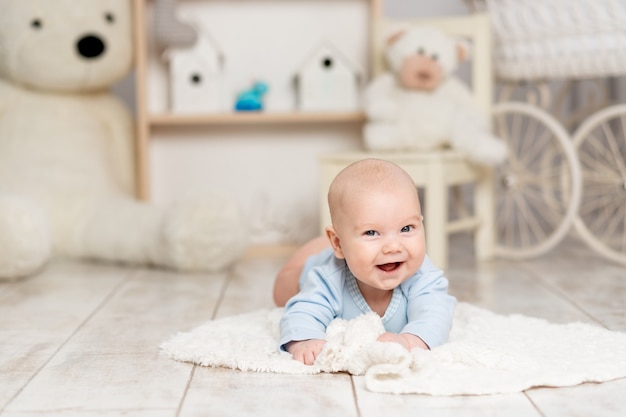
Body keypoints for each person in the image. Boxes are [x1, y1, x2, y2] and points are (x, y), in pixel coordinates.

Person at [275, 158, 456, 365]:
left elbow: (436, 315)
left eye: (406, 228)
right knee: (282, 293)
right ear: (338, 243)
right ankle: (320, 247)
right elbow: (303, 311)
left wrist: (408, 341)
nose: (393, 247)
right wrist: (305, 340)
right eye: (372, 232)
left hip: (344, 250)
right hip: (315, 264)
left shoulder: (423, 275)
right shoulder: (328, 277)